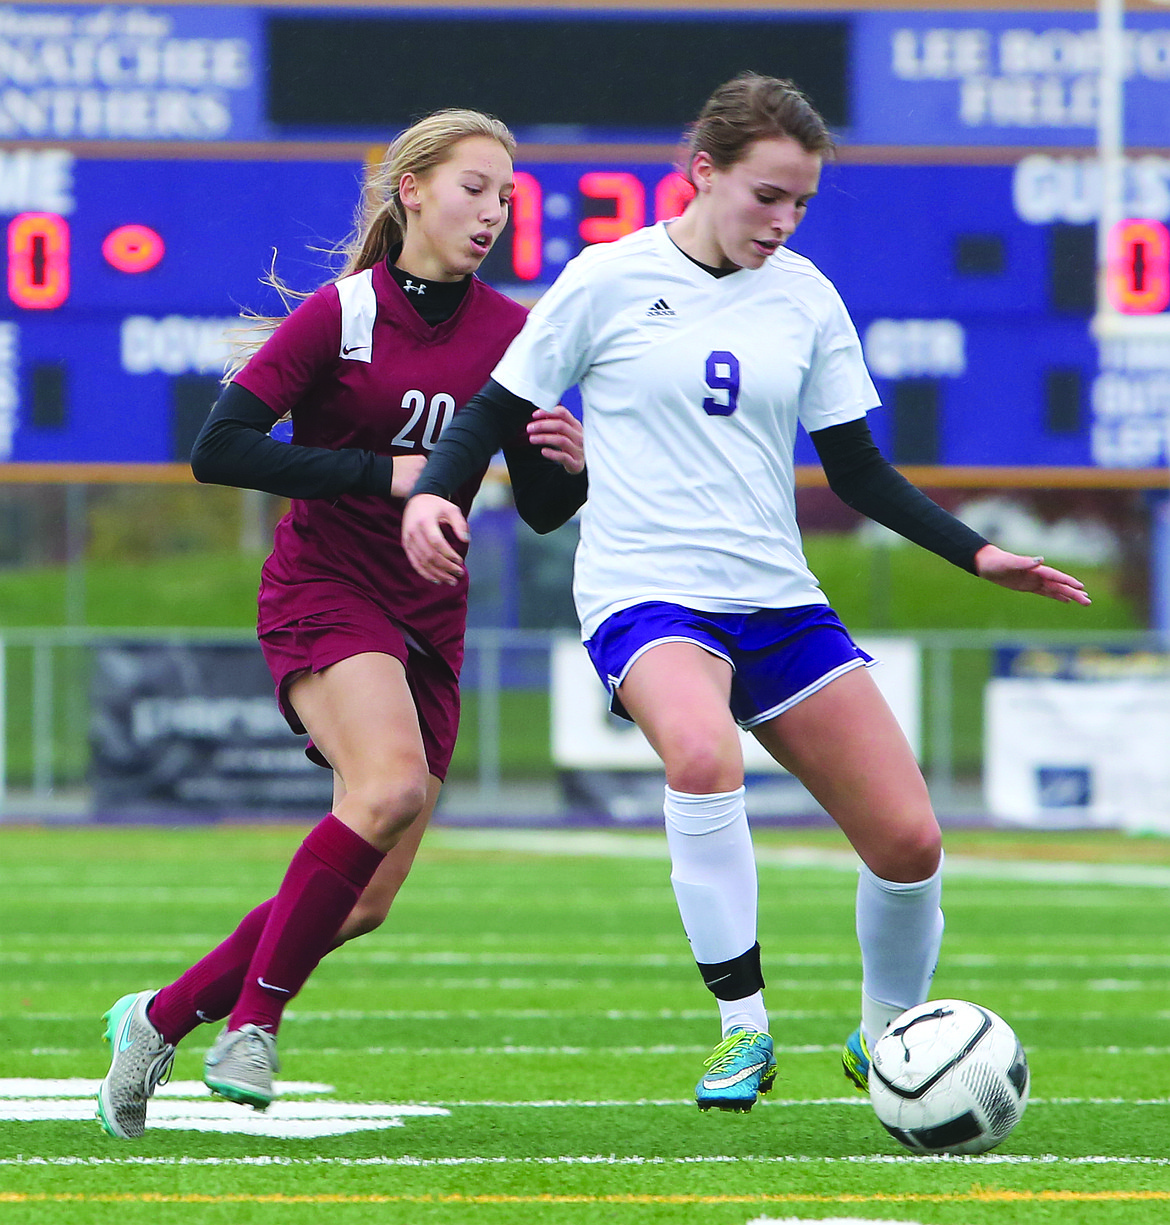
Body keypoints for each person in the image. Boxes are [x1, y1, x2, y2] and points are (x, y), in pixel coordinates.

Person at [400, 73, 1091, 1114]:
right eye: (767, 195)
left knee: (910, 841)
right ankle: (743, 1029)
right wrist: (432, 500)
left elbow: (857, 470)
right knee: (701, 752)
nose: (784, 219)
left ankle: (888, 1037)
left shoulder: (806, 297)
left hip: (776, 597)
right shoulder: (607, 278)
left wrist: (979, 554)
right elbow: (496, 406)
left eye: (801, 201)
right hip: (646, 590)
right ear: (703, 174)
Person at [96, 108, 588, 1139]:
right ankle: (253, 1026)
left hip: (430, 618)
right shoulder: (342, 313)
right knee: (391, 785)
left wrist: (566, 465)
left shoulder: (515, 333)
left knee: (360, 903)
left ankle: (159, 1017)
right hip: (327, 589)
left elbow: (540, 506)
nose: (494, 210)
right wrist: (387, 475)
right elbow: (218, 448)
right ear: (410, 188)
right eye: (474, 186)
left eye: (507, 193)